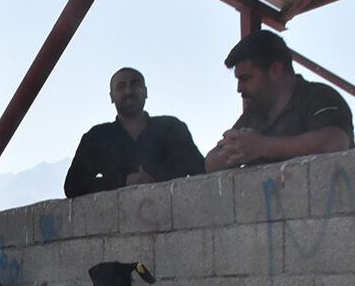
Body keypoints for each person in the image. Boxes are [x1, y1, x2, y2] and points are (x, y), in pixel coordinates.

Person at [205, 30, 353, 172]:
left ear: (276, 70)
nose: (239, 88)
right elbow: (210, 163)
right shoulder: (254, 114)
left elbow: (335, 142)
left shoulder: (319, 96)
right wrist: (233, 152)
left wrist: (261, 146)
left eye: (245, 78)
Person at [64, 67, 205, 198]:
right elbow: (73, 186)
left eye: (135, 84)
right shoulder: (97, 137)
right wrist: (123, 181)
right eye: (121, 86)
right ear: (111, 96)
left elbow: (201, 171)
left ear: (146, 92)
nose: (129, 91)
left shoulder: (172, 128)